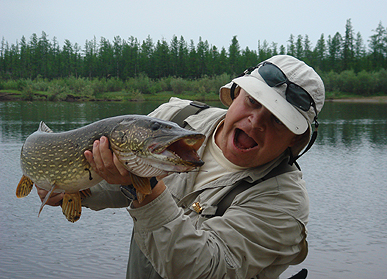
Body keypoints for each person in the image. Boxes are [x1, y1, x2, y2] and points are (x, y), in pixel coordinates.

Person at [37, 55, 325, 279]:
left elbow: (205, 270)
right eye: (253, 101)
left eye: (277, 120)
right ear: (235, 93)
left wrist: (147, 191)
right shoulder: (177, 118)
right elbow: (115, 183)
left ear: (295, 139)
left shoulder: (284, 204)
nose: (256, 121)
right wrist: (73, 188)